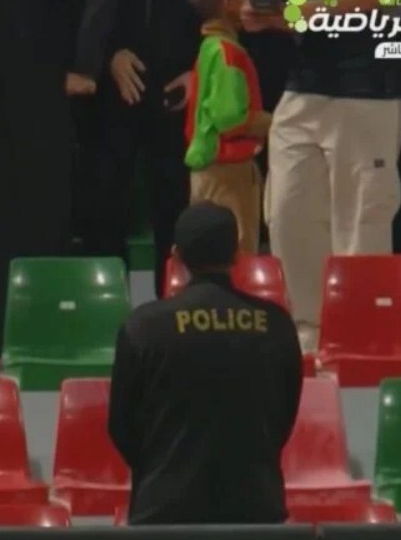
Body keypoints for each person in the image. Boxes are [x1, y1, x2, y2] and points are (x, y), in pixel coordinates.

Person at [242, 0, 401, 352]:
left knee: (359, 222)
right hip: (302, 86)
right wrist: (267, 17)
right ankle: (306, 336)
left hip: (368, 88)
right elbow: (295, 12)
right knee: (288, 214)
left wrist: (322, 10)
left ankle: (358, 337)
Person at [108, 202, 303, 525]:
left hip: (163, 510)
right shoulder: (277, 325)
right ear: (237, 255)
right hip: (255, 508)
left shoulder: (142, 327)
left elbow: (121, 425)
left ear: (175, 256)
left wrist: (160, 467)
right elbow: (284, 415)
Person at [90, 0, 220, 298]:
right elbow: (88, 3)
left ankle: (177, 306)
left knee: (176, 210)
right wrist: (108, 55)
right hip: (113, 97)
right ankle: (105, 307)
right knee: (104, 207)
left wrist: (200, 71)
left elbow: (227, 5)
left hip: (179, 97)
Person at [184, 0, 270, 253]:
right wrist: (277, 122)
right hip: (228, 171)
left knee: (208, 252)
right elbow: (229, 118)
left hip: (209, 169)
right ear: (229, 3)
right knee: (238, 250)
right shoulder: (228, 52)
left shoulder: (209, 46)